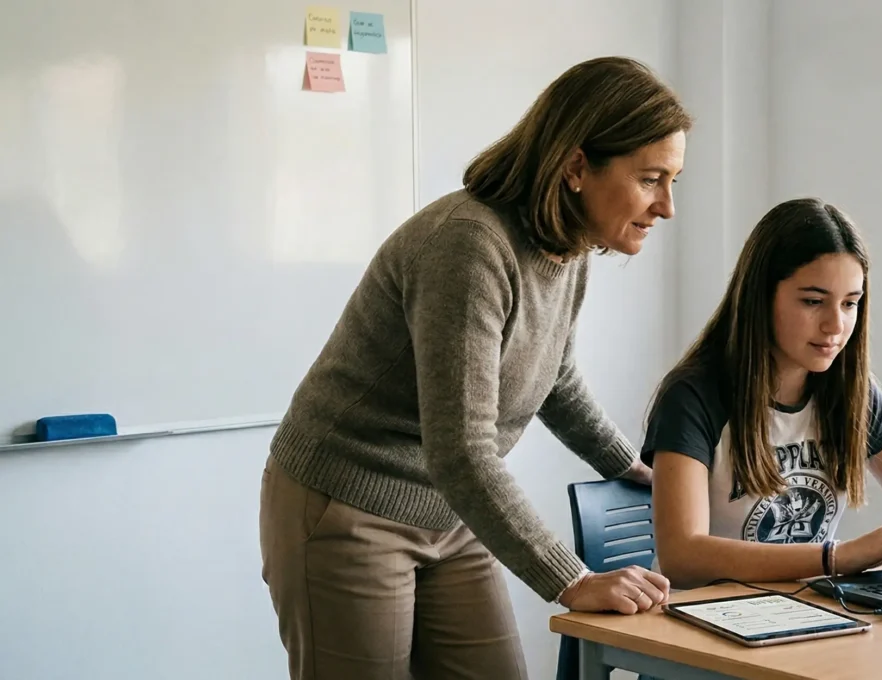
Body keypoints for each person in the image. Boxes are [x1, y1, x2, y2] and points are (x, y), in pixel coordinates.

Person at [258, 56, 689, 680]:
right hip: (345, 504)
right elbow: (461, 450)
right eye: (651, 179)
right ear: (575, 167)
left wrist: (633, 468)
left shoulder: (565, 246)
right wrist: (572, 580)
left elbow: (555, 380)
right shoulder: (469, 244)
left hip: (448, 510)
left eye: (673, 180)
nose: (667, 206)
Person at [642, 198, 882, 590]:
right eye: (813, 301)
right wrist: (834, 557)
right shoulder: (692, 397)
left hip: (808, 613)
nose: (835, 324)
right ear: (760, 296)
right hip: (703, 621)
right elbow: (682, 556)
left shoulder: (851, 391)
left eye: (850, 304)